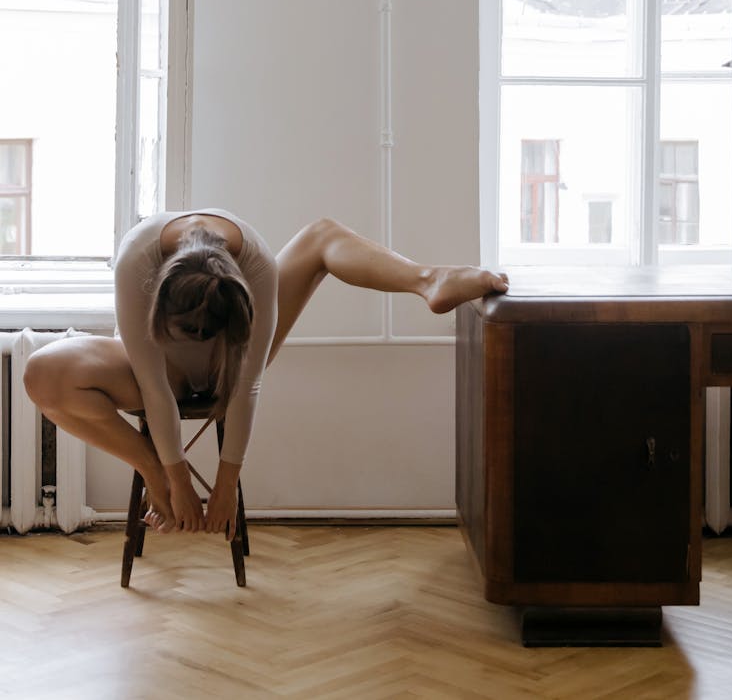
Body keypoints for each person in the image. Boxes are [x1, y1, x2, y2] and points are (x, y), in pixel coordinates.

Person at [23, 210, 509, 537]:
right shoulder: (135, 263)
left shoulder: (254, 263)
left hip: (228, 373)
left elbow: (248, 385)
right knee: (42, 372)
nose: (198, 338)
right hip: (155, 374)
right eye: (187, 330)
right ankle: (146, 461)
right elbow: (153, 388)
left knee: (323, 234)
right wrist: (168, 476)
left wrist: (228, 483)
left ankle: (429, 279)